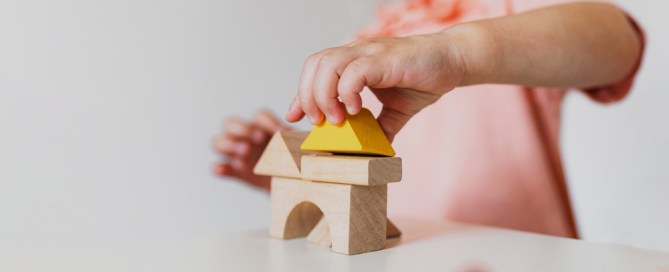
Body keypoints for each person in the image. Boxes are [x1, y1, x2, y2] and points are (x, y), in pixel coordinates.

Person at [213, 0, 644, 238]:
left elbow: (616, 43)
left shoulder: (508, 18)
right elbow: (357, 202)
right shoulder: (361, 46)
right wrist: (296, 178)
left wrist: (458, 52)